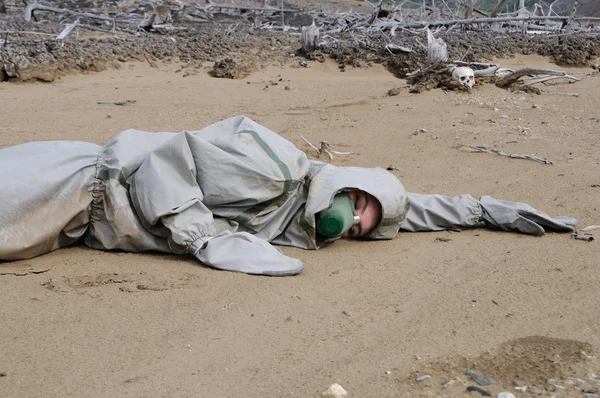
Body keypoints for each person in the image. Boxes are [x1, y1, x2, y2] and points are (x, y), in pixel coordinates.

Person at [0, 116, 577, 275]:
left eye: (359, 229)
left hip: (82, 228)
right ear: (347, 186)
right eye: (356, 207)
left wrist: (486, 211)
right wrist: (209, 239)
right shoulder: (275, 168)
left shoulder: (298, 215)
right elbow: (162, 163)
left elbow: (413, 206)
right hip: (74, 183)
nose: (351, 223)